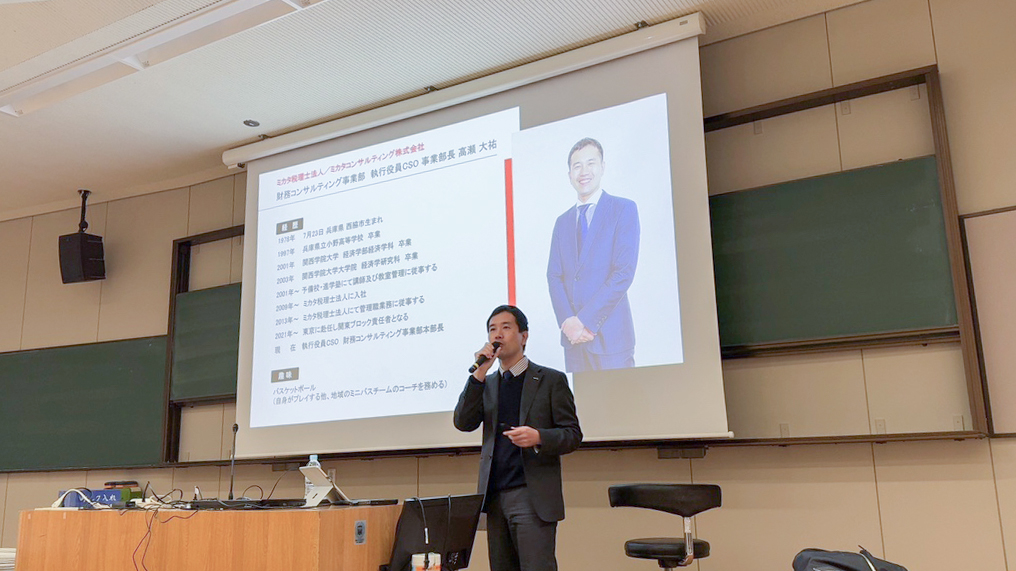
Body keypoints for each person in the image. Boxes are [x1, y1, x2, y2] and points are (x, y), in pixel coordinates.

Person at [454, 305, 582, 571]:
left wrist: (539, 436)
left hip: (531, 496)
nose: (497, 334)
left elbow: (572, 435)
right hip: (495, 497)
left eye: (506, 327)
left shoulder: (550, 380)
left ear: (524, 336)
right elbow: (463, 422)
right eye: (492, 329)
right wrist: (479, 373)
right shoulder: (487, 384)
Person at [547, 137, 640, 373]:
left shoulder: (623, 209)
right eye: (577, 166)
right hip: (573, 342)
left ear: (602, 167)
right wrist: (568, 322)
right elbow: (554, 276)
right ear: (569, 174)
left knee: (621, 397)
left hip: (612, 339)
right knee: (580, 399)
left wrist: (584, 321)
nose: (584, 171)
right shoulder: (562, 222)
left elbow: (623, 273)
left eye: (590, 163)